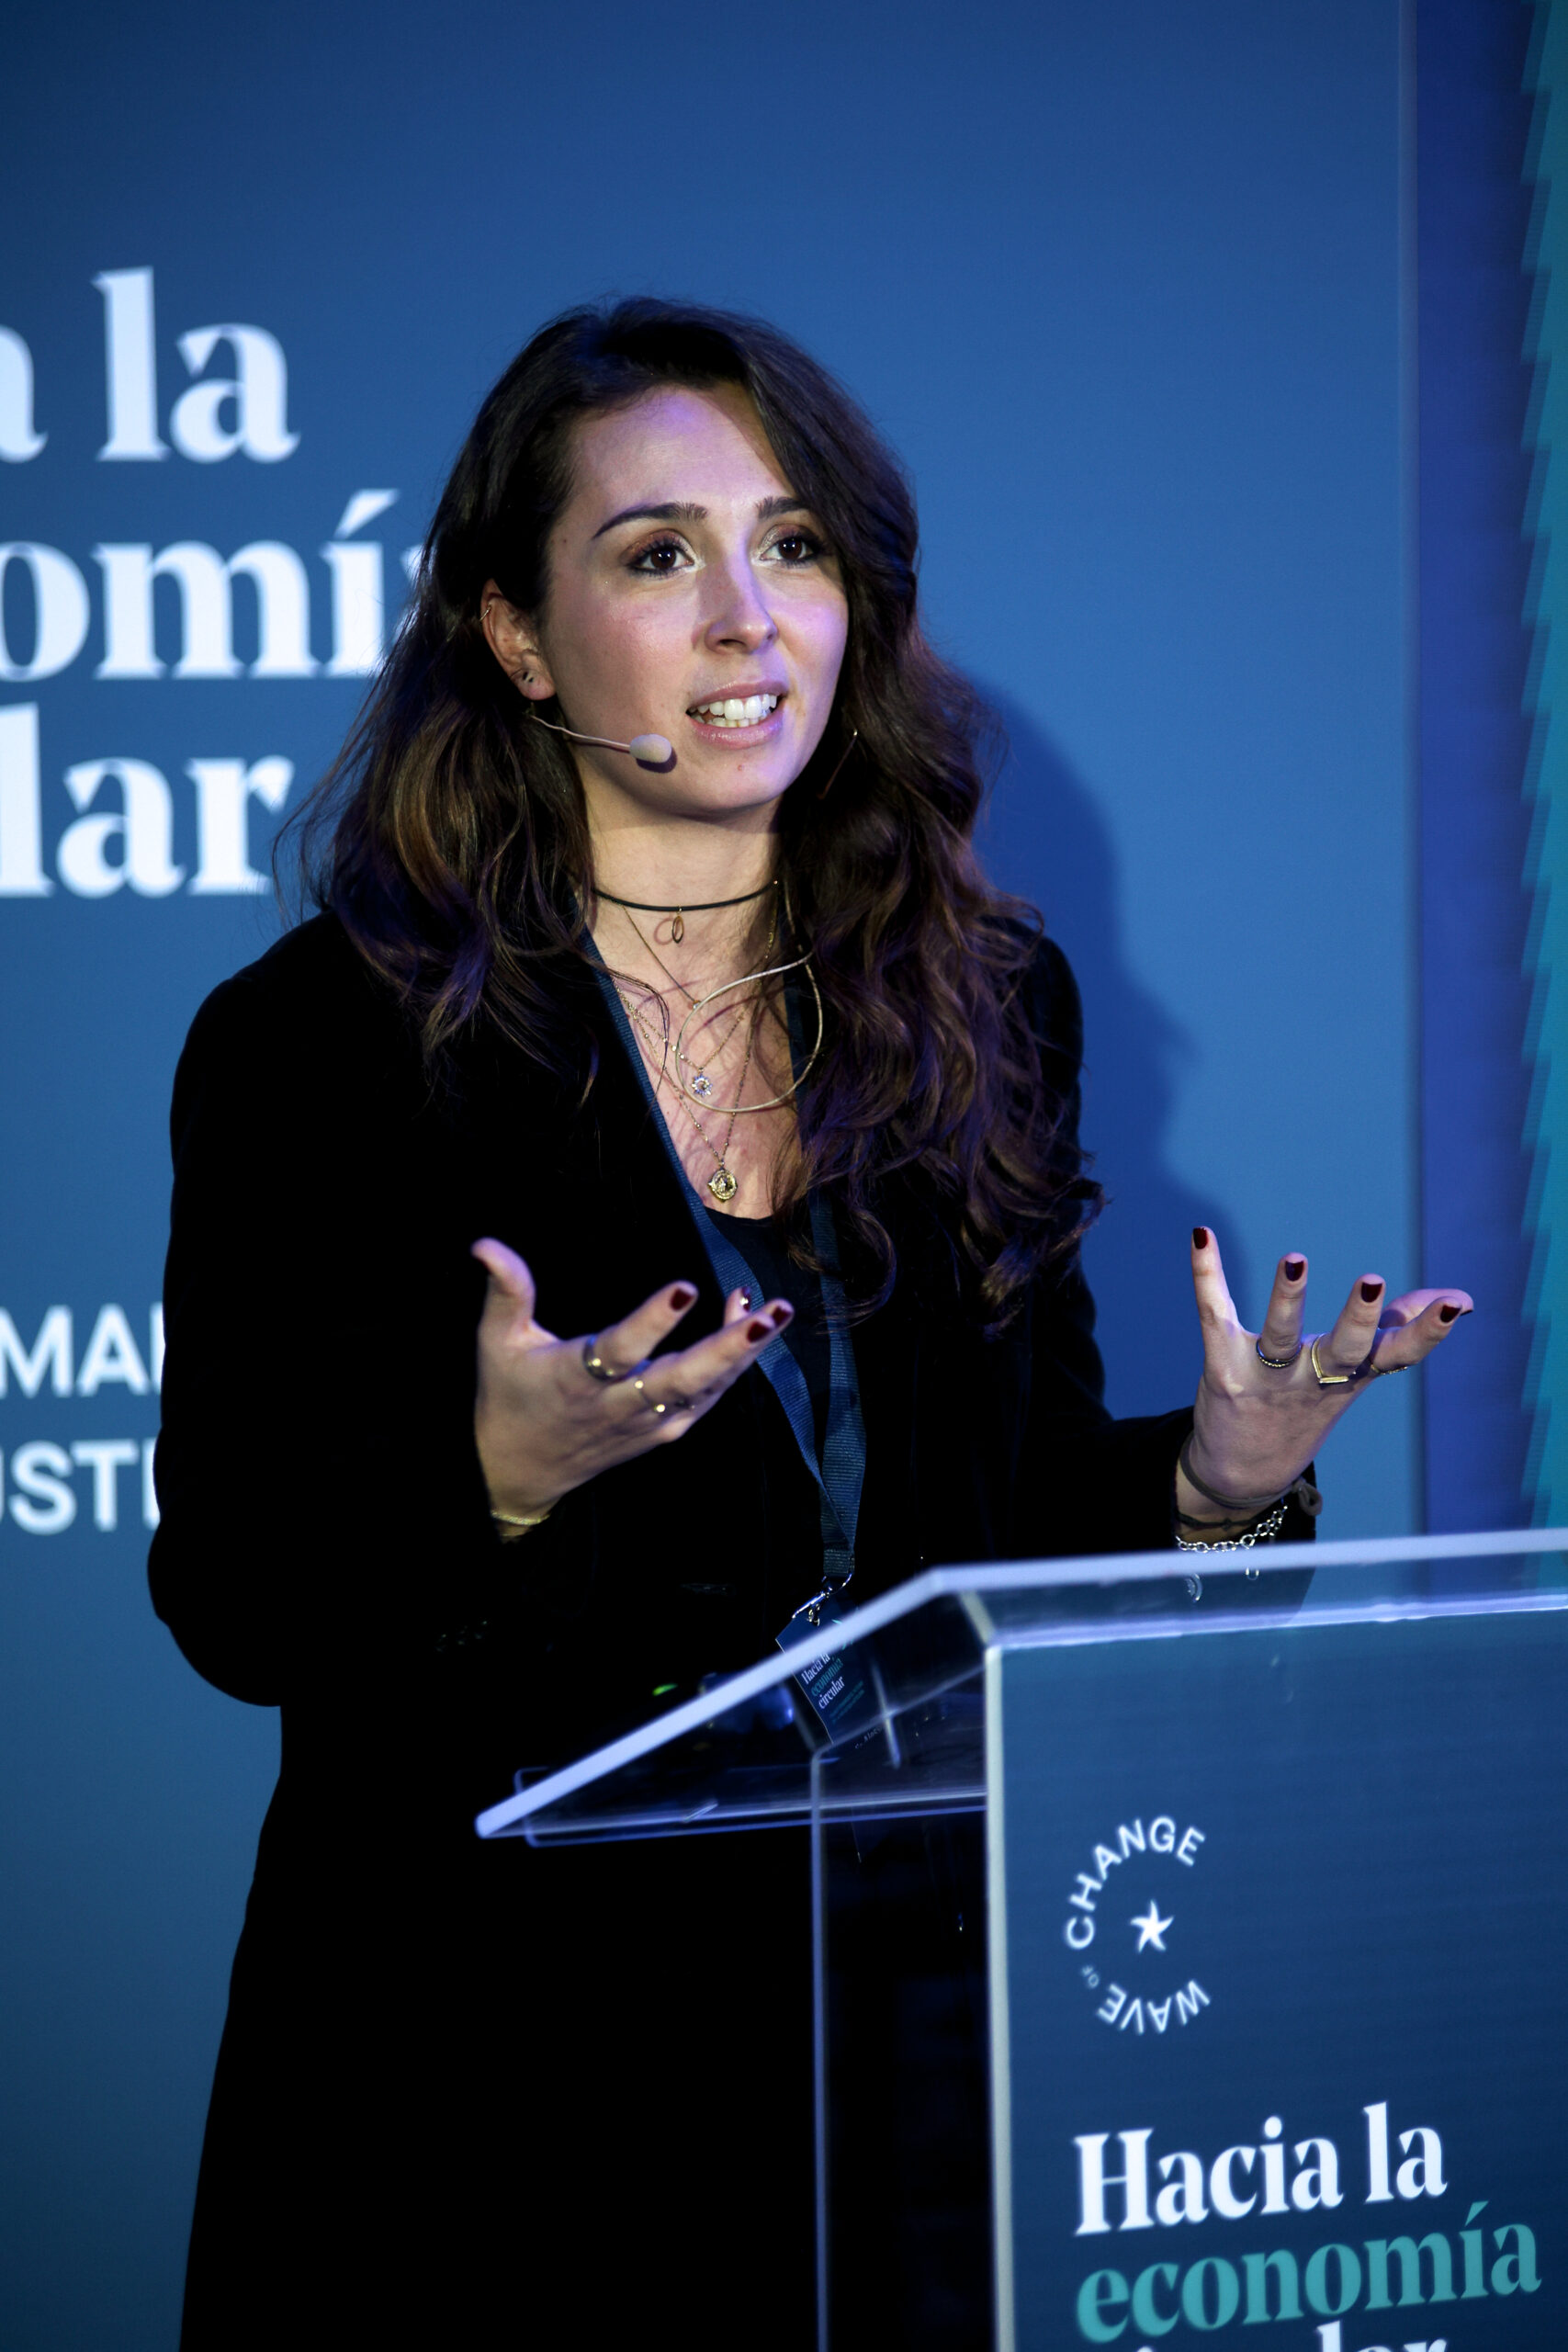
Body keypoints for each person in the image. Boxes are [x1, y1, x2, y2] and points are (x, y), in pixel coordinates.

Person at [149, 299, 1471, 2347]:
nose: (746, 618)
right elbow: (236, 1593)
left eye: (793, 546)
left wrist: (1218, 1485)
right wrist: (493, 1472)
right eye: (656, 553)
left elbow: (991, 1539)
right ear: (514, 634)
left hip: (892, 2080)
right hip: (480, 2098)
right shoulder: (327, 1042)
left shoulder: (977, 1003)